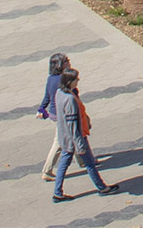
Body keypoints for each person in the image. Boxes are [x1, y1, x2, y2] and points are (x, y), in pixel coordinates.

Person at [48, 67, 115, 202]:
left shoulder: (59, 93)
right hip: (76, 138)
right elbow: (73, 125)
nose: (78, 81)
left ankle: (57, 193)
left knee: (63, 164)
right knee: (89, 163)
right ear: (70, 81)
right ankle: (102, 188)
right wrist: (79, 144)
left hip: (65, 137)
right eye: (76, 79)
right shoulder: (70, 99)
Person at [34, 52, 72, 185]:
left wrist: (41, 108)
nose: (69, 62)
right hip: (63, 114)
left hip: (54, 113)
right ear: (60, 65)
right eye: (66, 61)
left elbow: (47, 96)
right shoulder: (63, 79)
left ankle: (84, 160)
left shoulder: (51, 78)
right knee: (59, 142)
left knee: (75, 135)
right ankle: (47, 170)